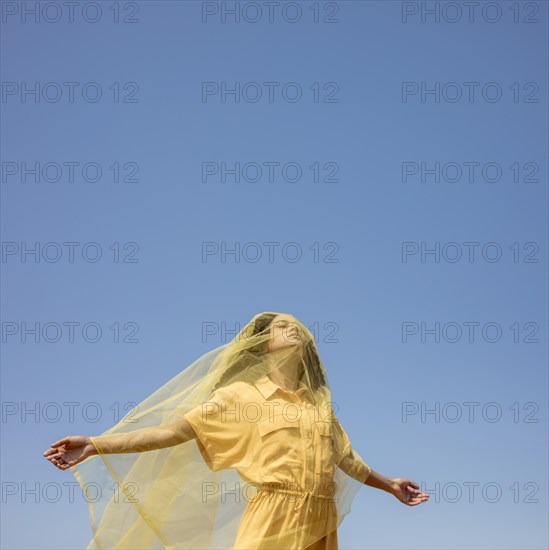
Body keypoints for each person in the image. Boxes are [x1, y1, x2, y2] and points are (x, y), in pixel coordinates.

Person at [43, 312, 429, 549]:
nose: (292, 329)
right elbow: (173, 432)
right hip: (272, 514)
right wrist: (96, 444)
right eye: (281, 326)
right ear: (262, 345)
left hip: (320, 521)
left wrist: (389, 484)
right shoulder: (239, 397)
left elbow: (346, 459)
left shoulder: (318, 405)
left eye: (296, 326)